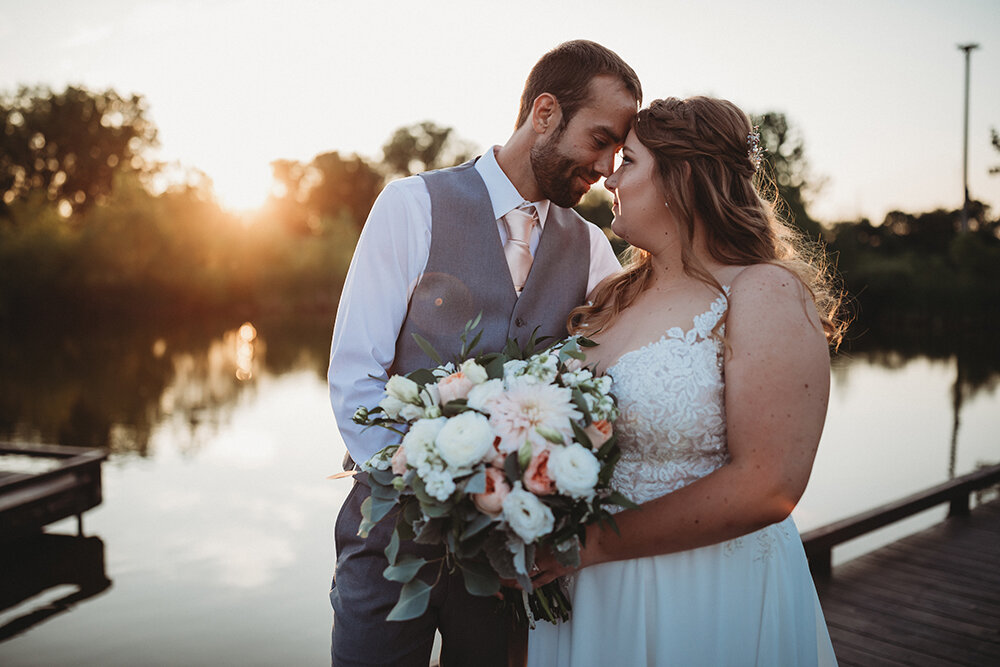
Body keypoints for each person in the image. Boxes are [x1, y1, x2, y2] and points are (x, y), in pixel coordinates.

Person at [327, 40, 641, 666]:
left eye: (620, 151)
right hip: (390, 539)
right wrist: (434, 487)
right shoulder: (412, 205)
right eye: (600, 139)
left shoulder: (592, 250)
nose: (608, 167)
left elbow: (609, 385)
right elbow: (354, 375)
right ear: (545, 113)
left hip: (512, 557)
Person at [525, 96, 842, 666]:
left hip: (700, 590)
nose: (608, 178)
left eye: (628, 161)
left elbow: (770, 485)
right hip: (590, 593)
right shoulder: (611, 297)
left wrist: (590, 544)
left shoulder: (760, 292)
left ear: (681, 178)